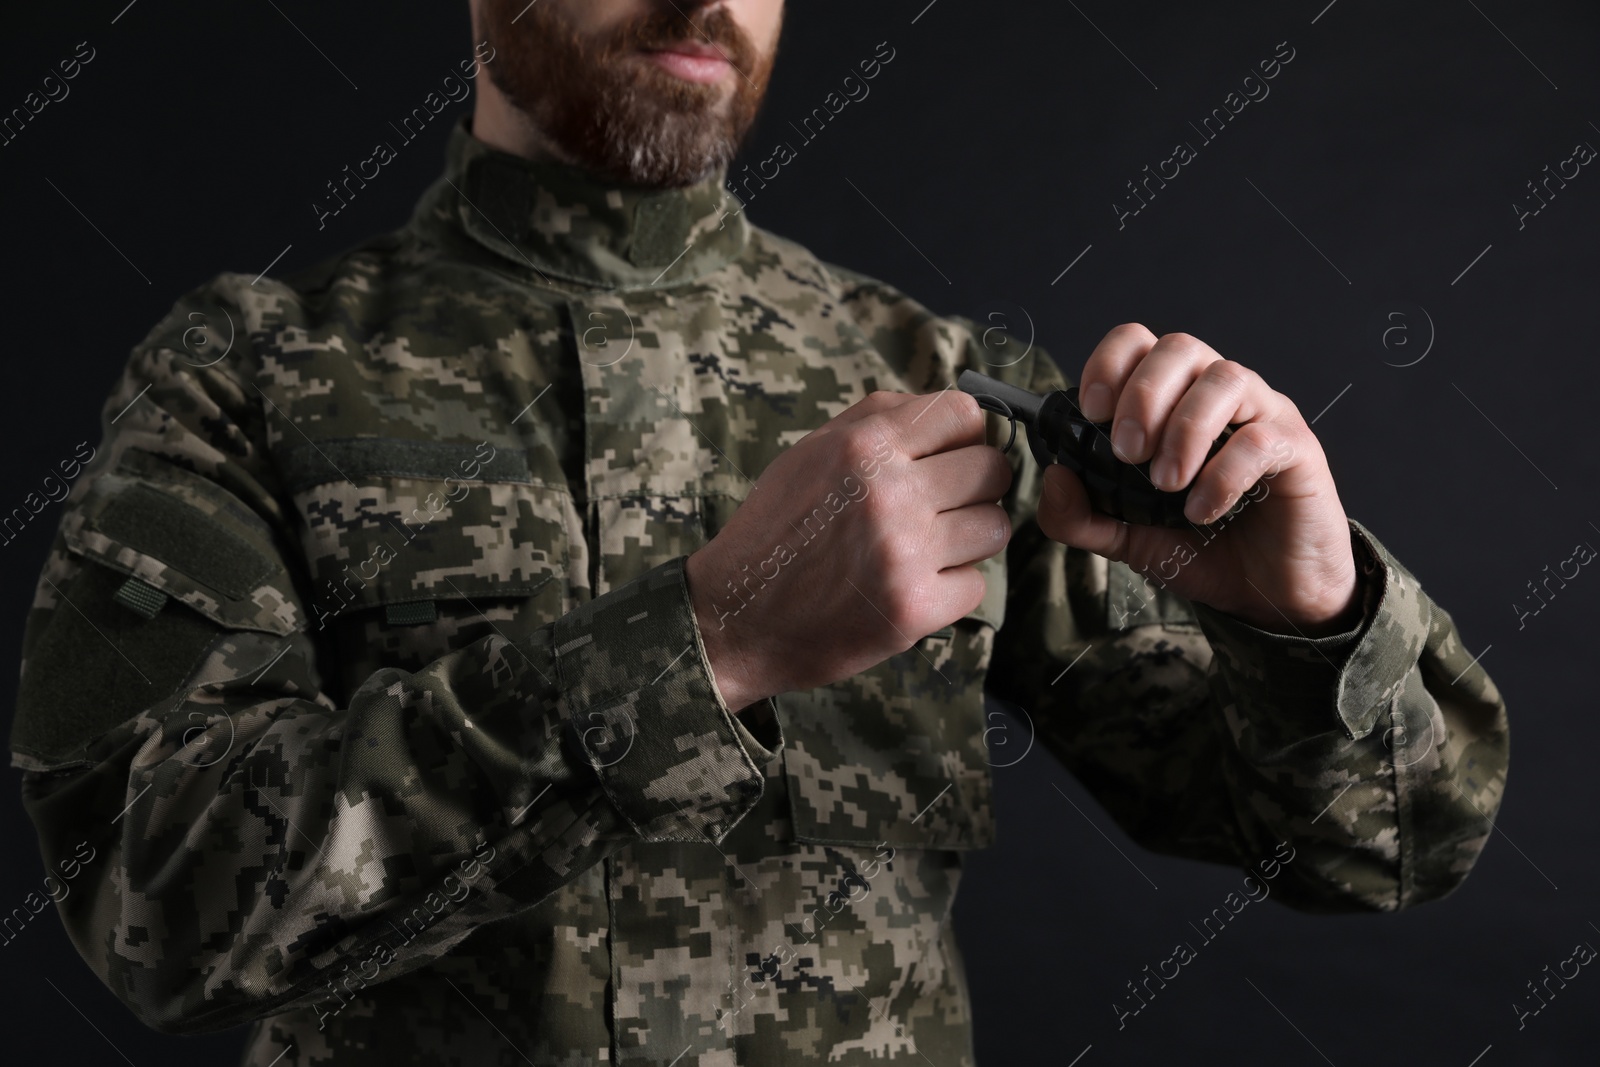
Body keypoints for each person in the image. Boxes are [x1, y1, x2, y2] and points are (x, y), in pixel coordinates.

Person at [7, 1, 1508, 1064]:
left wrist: (1306, 625)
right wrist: (710, 641)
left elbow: (1381, 852)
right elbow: (154, 903)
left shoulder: (943, 385)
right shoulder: (244, 373)